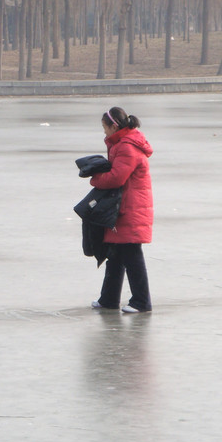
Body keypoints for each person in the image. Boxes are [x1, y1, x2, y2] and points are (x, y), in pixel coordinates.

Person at [89, 107, 154, 313]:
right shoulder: (122, 143)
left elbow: (117, 177)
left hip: (130, 208)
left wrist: (95, 178)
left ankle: (141, 302)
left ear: (114, 125)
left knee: (131, 253)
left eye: (104, 128)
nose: (104, 133)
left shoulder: (127, 146)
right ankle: (109, 299)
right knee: (115, 254)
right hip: (123, 207)